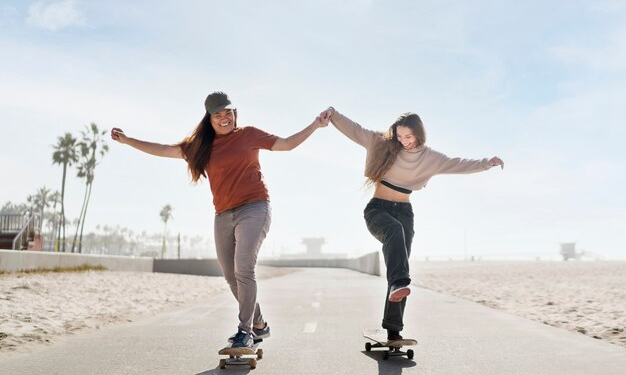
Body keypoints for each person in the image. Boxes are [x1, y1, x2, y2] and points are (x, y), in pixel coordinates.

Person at [111, 92, 328, 349]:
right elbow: (162, 149)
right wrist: (128, 141)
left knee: (244, 268)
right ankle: (259, 324)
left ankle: (245, 331)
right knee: (230, 276)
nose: (224, 118)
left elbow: (287, 144)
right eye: (218, 114)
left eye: (228, 112)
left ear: (235, 113)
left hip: (255, 208)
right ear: (210, 118)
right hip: (223, 215)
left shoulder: (248, 135)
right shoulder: (200, 146)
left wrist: (315, 124)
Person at [319, 107, 503, 340]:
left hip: (405, 213)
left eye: (409, 136)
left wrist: (487, 163)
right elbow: (355, 130)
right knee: (398, 265)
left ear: (419, 134)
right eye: (399, 136)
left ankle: (393, 330)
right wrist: (333, 114)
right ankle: (400, 284)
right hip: (378, 210)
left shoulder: (431, 158)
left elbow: (459, 164)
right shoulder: (381, 144)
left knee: (399, 266)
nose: (403, 141)